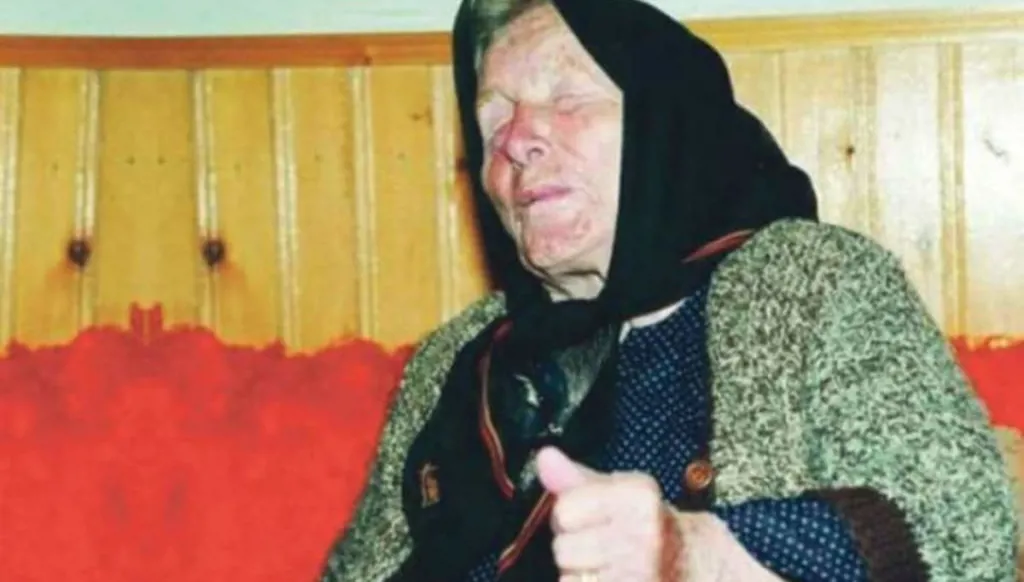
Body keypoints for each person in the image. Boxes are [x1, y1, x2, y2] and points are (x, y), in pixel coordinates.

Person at [319, 0, 1019, 580]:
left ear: (666, 122)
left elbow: (960, 523)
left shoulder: (814, 282)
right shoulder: (457, 359)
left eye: (568, 98)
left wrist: (698, 554)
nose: (516, 140)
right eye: (494, 117)